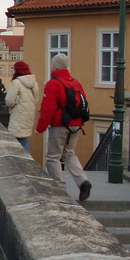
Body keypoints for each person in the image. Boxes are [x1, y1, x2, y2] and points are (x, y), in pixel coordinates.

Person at [35, 53, 92, 201]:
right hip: (76, 125)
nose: (51, 66)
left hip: (60, 125)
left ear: (55, 66)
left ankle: (59, 190)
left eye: (52, 64)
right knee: (69, 154)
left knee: (53, 157)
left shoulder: (53, 83)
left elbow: (48, 108)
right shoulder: (75, 82)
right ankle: (83, 181)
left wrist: (40, 127)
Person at [6, 62, 39, 152]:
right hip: (28, 116)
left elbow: (9, 101)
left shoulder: (16, 83)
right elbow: (36, 100)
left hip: (18, 115)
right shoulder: (34, 83)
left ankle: (25, 164)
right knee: (23, 139)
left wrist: (16, 102)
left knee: (16, 142)